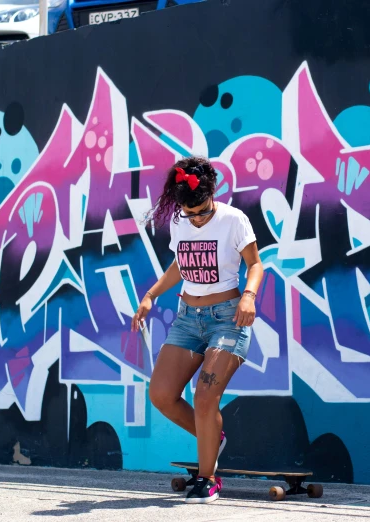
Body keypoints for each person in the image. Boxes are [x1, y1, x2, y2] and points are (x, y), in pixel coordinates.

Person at [132, 156, 263, 504]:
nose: (197, 219)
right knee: (161, 394)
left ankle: (209, 478)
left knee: (205, 397)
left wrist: (248, 296)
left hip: (228, 318)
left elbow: (255, 264)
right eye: (190, 214)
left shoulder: (234, 220)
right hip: (188, 318)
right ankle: (212, 437)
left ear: (212, 195)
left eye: (202, 211)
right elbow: (181, 264)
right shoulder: (182, 221)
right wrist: (150, 295)